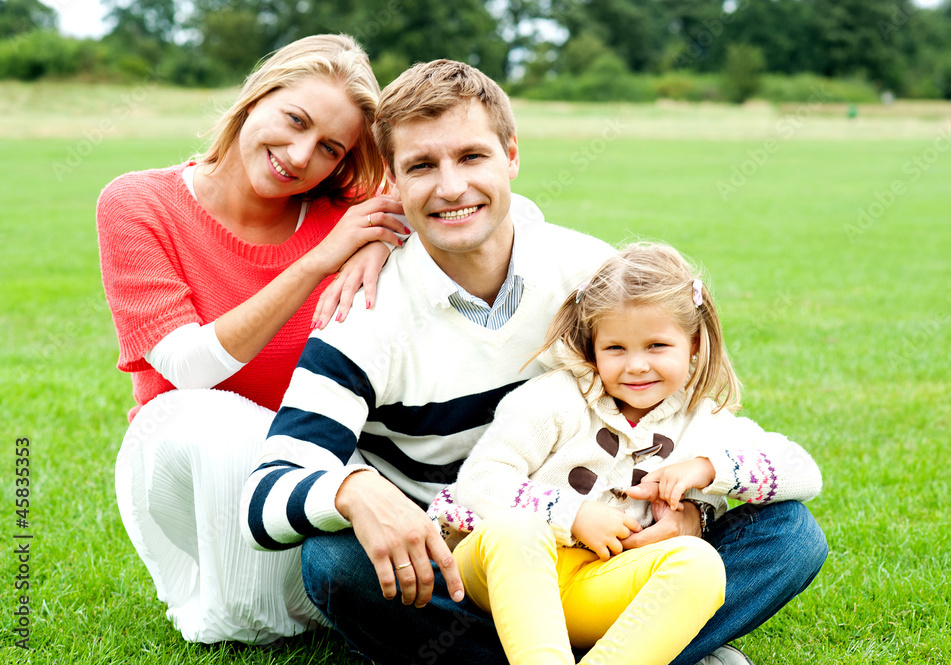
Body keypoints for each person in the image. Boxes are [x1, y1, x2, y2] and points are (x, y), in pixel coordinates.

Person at [241, 59, 828, 665]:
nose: (449, 187)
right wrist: (354, 489)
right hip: (457, 570)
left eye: (471, 157)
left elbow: (681, 421)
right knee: (334, 563)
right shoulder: (362, 315)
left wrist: (692, 515)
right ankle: (652, 648)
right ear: (391, 179)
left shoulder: (588, 274)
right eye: (422, 166)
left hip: (612, 551)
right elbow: (262, 497)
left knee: (790, 537)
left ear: (511, 156)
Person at [96, 34, 408, 645]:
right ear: (256, 95)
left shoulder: (345, 213)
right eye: (295, 120)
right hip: (187, 459)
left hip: (308, 464)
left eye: (329, 148)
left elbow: (483, 205)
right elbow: (187, 367)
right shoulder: (138, 203)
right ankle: (253, 600)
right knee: (213, 420)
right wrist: (319, 261)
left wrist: (377, 235)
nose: (298, 155)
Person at [428, 242, 824, 665]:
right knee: (518, 530)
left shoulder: (703, 422)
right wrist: (572, 515)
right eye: (616, 348)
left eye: (656, 346)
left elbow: (805, 472)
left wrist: (709, 469)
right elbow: (479, 481)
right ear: (592, 344)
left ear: (693, 344)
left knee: (701, 565)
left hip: (600, 586)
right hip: (505, 574)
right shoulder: (555, 400)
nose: (636, 365)